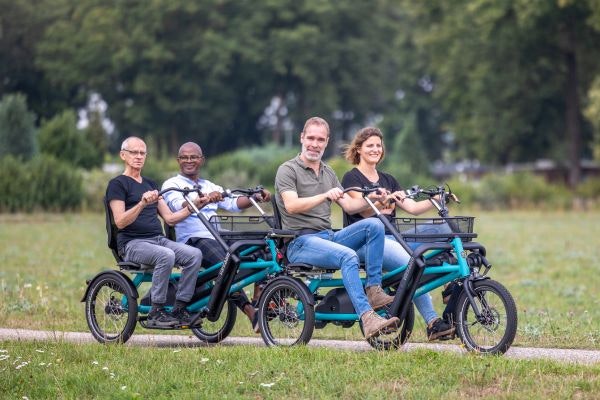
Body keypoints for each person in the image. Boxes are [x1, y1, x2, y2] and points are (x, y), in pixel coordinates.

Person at [274, 116, 400, 341]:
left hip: (327, 237)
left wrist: (373, 199)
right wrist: (323, 195)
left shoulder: (328, 172)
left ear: (326, 142)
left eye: (320, 139)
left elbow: (351, 205)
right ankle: (367, 318)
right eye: (310, 138)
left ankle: (374, 290)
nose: (315, 144)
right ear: (302, 138)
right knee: (348, 255)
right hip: (300, 241)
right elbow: (291, 206)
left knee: (374, 224)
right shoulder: (287, 170)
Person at [341, 126, 455, 340]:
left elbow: (411, 207)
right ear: (359, 150)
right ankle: (432, 322)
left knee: (442, 229)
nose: (376, 149)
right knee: (413, 264)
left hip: (394, 237)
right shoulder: (351, 178)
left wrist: (435, 201)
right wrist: (380, 202)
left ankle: (452, 285)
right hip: (368, 243)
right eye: (370, 146)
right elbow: (359, 209)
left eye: (378, 145)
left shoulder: (388, 179)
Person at [162, 142, 272, 332]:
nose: (189, 161)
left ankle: (258, 299)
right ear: (178, 160)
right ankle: (250, 312)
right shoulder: (173, 184)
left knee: (264, 247)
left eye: (194, 157)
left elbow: (234, 203)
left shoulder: (209, 184)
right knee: (227, 264)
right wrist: (204, 199)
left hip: (217, 235)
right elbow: (180, 205)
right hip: (193, 240)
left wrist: (255, 197)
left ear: (201, 160)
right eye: (185, 157)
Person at [106, 136, 203, 328]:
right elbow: (120, 222)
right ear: (123, 155)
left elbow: (169, 218)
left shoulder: (150, 184)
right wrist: (142, 203)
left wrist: (193, 206)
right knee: (166, 255)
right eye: (134, 152)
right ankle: (156, 312)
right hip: (132, 244)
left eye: (143, 153)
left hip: (157, 240)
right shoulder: (117, 184)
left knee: (194, 255)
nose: (139, 156)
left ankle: (180, 308)